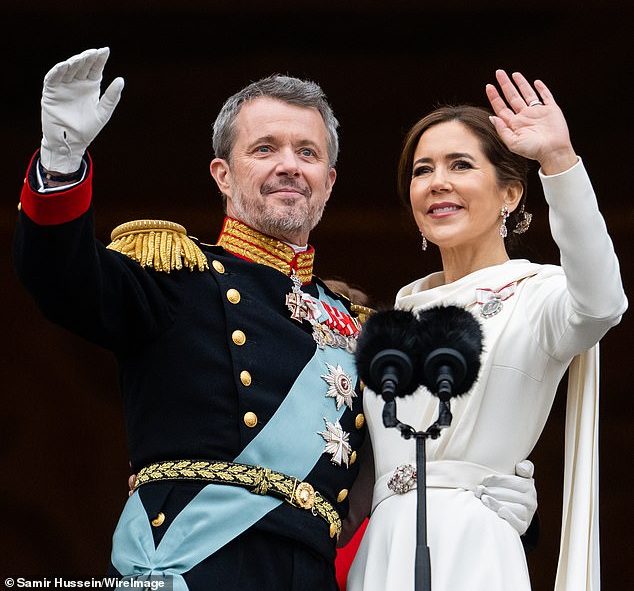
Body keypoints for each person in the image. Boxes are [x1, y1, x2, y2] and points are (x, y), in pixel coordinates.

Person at [14, 48, 538, 590]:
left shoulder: (362, 332)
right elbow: (61, 278)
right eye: (265, 148)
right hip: (191, 567)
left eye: (306, 152)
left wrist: (490, 501)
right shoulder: (174, 276)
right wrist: (60, 161)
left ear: (328, 181)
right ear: (223, 173)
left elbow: (409, 460)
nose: (289, 164)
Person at [347, 72, 627, 591]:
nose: (437, 182)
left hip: (472, 548)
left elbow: (603, 304)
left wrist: (559, 161)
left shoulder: (538, 297)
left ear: (511, 193)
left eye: (461, 165)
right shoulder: (388, 322)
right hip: (380, 551)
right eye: (422, 170)